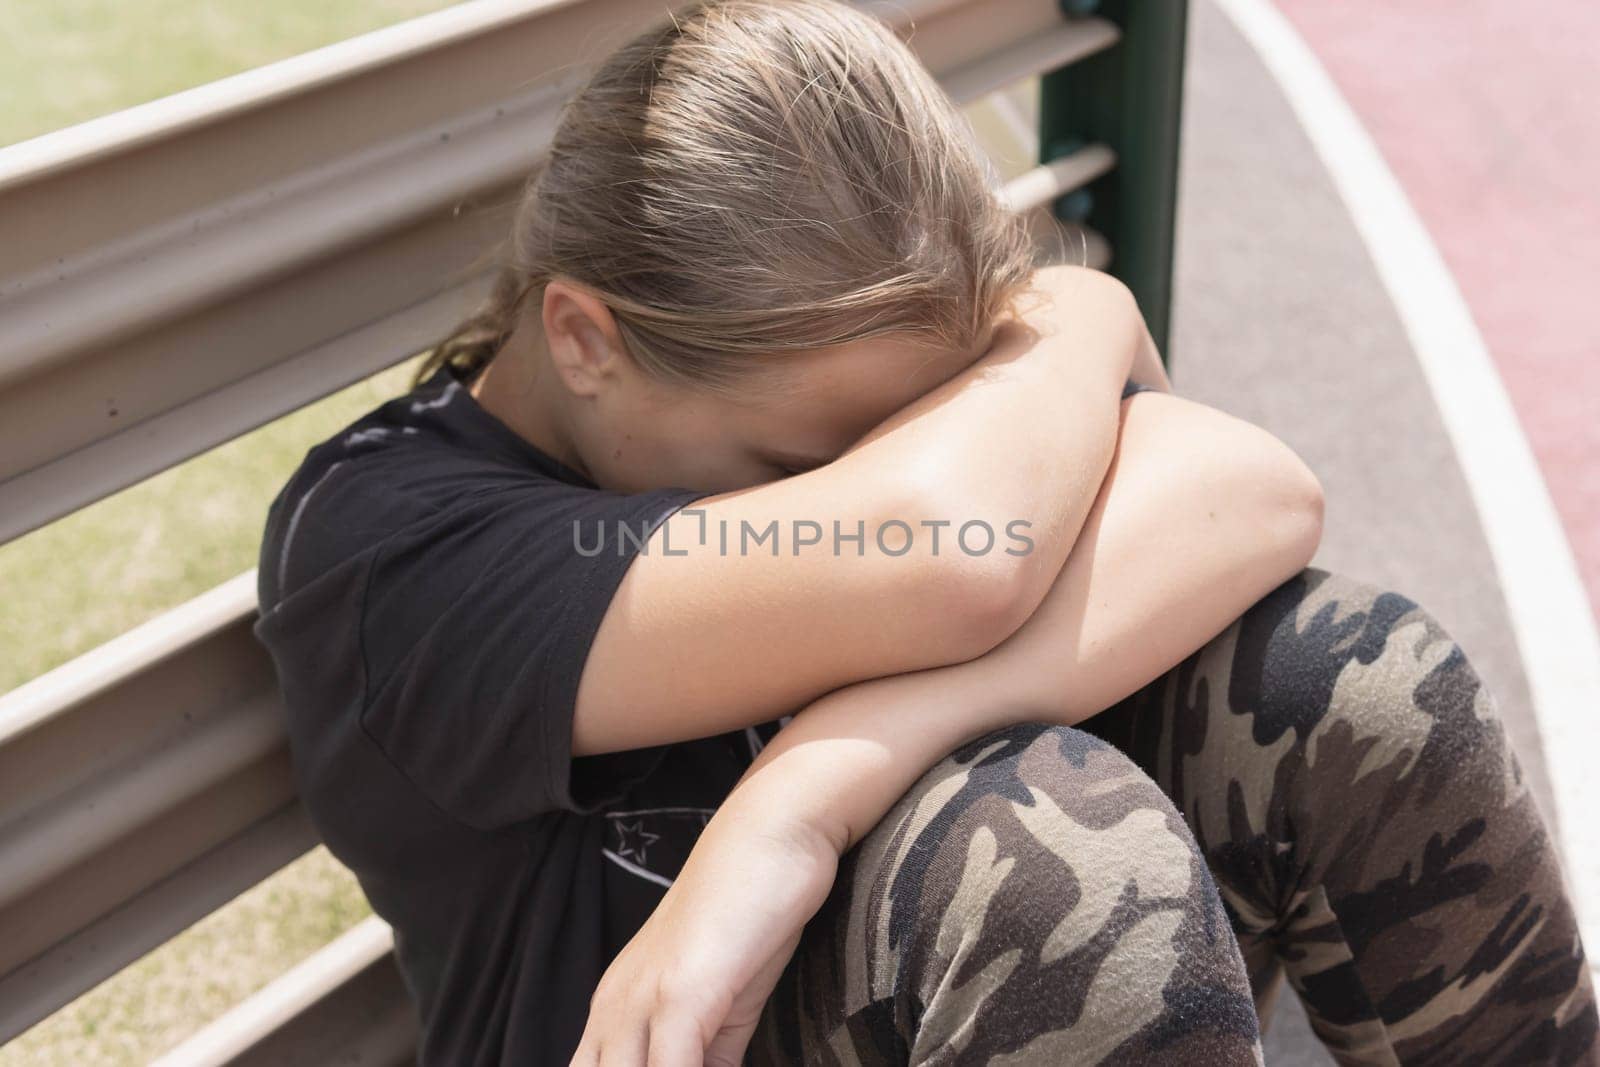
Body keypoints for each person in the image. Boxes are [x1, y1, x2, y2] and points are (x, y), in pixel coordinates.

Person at [252, 0, 1599, 1063]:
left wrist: (796, 802)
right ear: (585, 338)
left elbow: (1253, 484)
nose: (863, 480)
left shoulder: (793, 391)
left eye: (933, 425)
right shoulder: (391, 553)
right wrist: (1088, 318)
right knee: (1051, 866)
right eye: (808, 463)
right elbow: (956, 546)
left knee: (1350, 679)